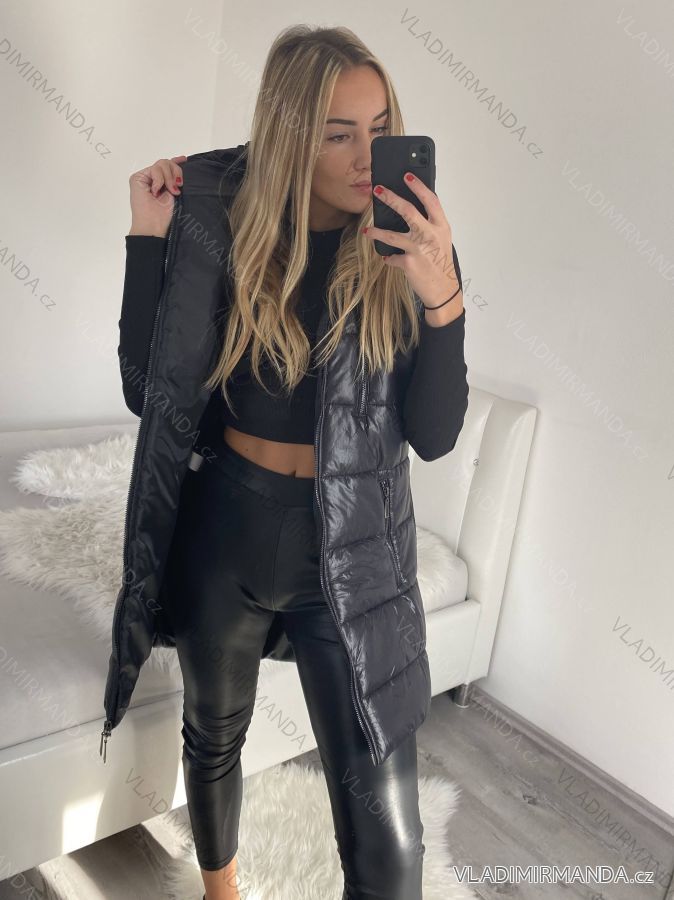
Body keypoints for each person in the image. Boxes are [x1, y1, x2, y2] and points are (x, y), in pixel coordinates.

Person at [114, 24, 468, 900]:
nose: (367, 156)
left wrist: (444, 300)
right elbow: (147, 391)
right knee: (214, 737)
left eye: (380, 128)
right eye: (338, 133)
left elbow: (434, 435)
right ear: (288, 136)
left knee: (390, 851)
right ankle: (221, 888)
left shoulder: (411, 249)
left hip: (351, 551)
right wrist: (148, 239)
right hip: (227, 531)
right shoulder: (227, 230)